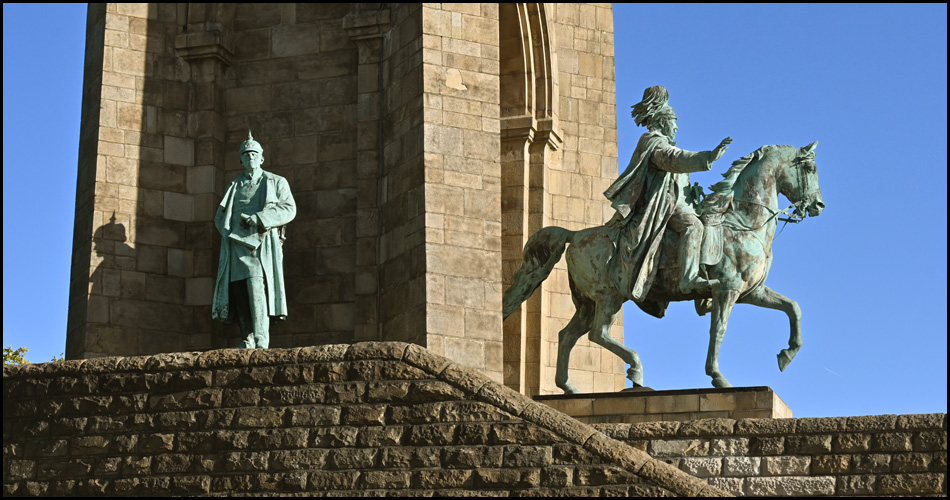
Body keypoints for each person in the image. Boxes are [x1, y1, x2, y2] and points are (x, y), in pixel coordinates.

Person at [603, 86, 731, 307]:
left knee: (713, 223)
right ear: (663, 122)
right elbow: (674, 159)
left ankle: (703, 296)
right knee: (695, 227)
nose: (677, 126)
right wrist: (707, 157)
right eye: (674, 121)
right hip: (660, 207)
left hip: (677, 204)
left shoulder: (663, 143)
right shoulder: (654, 142)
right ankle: (688, 279)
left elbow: (680, 182)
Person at [212, 131, 296, 348]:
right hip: (236, 245)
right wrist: (228, 232)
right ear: (241, 159)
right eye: (246, 155)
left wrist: (258, 218)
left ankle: (260, 338)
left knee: (256, 285)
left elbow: (289, 209)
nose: (251, 158)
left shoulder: (276, 181)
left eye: (254, 154)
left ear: (262, 158)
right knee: (239, 289)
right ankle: (247, 336)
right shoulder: (234, 185)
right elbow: (221, 215)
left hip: (261, 244)